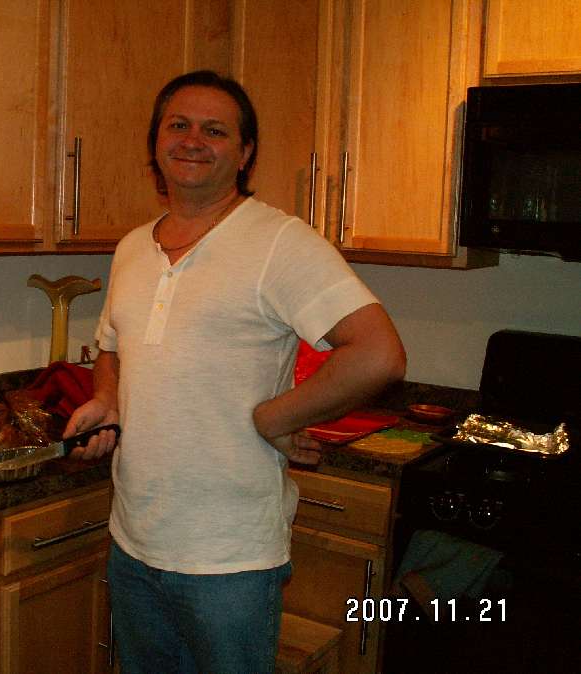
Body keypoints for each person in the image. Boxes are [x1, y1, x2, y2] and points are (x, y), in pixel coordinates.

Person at [63, 70, 406, 673]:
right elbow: (111, 346)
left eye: (215, 130)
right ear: (156, 143)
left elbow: (377, 352)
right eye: (179, 125)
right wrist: (108, 402)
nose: (193, 140)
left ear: (244, 153)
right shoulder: (132, 248)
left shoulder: (279, 242)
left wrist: (274, 417)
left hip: (231, 561)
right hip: (133, 542)